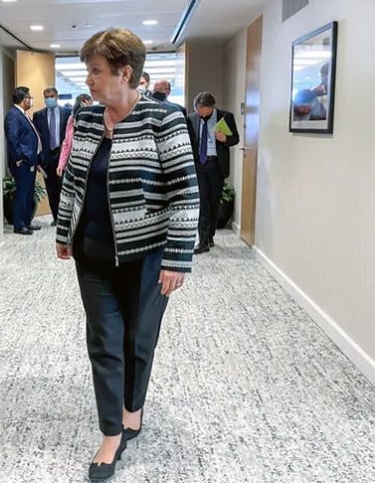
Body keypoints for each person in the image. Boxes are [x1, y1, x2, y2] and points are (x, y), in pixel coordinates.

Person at [55, 28, 199, 481]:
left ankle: (133, 409)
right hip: (92, 254)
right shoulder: (86, 118)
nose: (89, 80)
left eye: (96, 71)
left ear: (125, 72)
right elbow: (73, 180)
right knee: (104, 340)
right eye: (88, 71)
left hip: (147, 256)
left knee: (138, 338)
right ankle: (111, 432)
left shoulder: (164, 119)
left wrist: (177, 256)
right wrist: (64, 231)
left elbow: (185, 191)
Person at [187, 92, 240, 253]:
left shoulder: (225, 117)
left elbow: (235, 138)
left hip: (217, 165)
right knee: (202, 202)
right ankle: (202, 240)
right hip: (199, 165)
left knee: (214, 202)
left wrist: (225, 139)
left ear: (212, 107)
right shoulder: (192, 118)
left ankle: (210, 236)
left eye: (204, 112)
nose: (201, 115)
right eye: (199, 111)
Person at [4, 86, 43, 235]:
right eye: (29, 97)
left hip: (30, 160)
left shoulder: (23, 114)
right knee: (22, 193)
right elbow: (12, 138)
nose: (31, 100)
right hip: (22, 162)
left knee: (28, 192)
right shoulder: (13, 115)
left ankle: (26, 222)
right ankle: (19, 225)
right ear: (23, 99)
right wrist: (19, 158)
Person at [33, 87, 71, 225]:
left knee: (63, 188)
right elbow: (36, 139)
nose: (49, 99)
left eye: (52, 96)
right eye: (46, 97)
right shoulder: (38, 115)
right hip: (47, 157)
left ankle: (65, 217)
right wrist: (38, 161)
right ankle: (56, 218)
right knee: (51, 189)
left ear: (57, 97)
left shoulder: (67, 112)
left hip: (62, 156)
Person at [56, 93, 92, 177]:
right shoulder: (72, 119)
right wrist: (61, 163)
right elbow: (66, 143)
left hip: (88, 163)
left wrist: (88, 113)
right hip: (72, 161)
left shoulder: (94, 121)